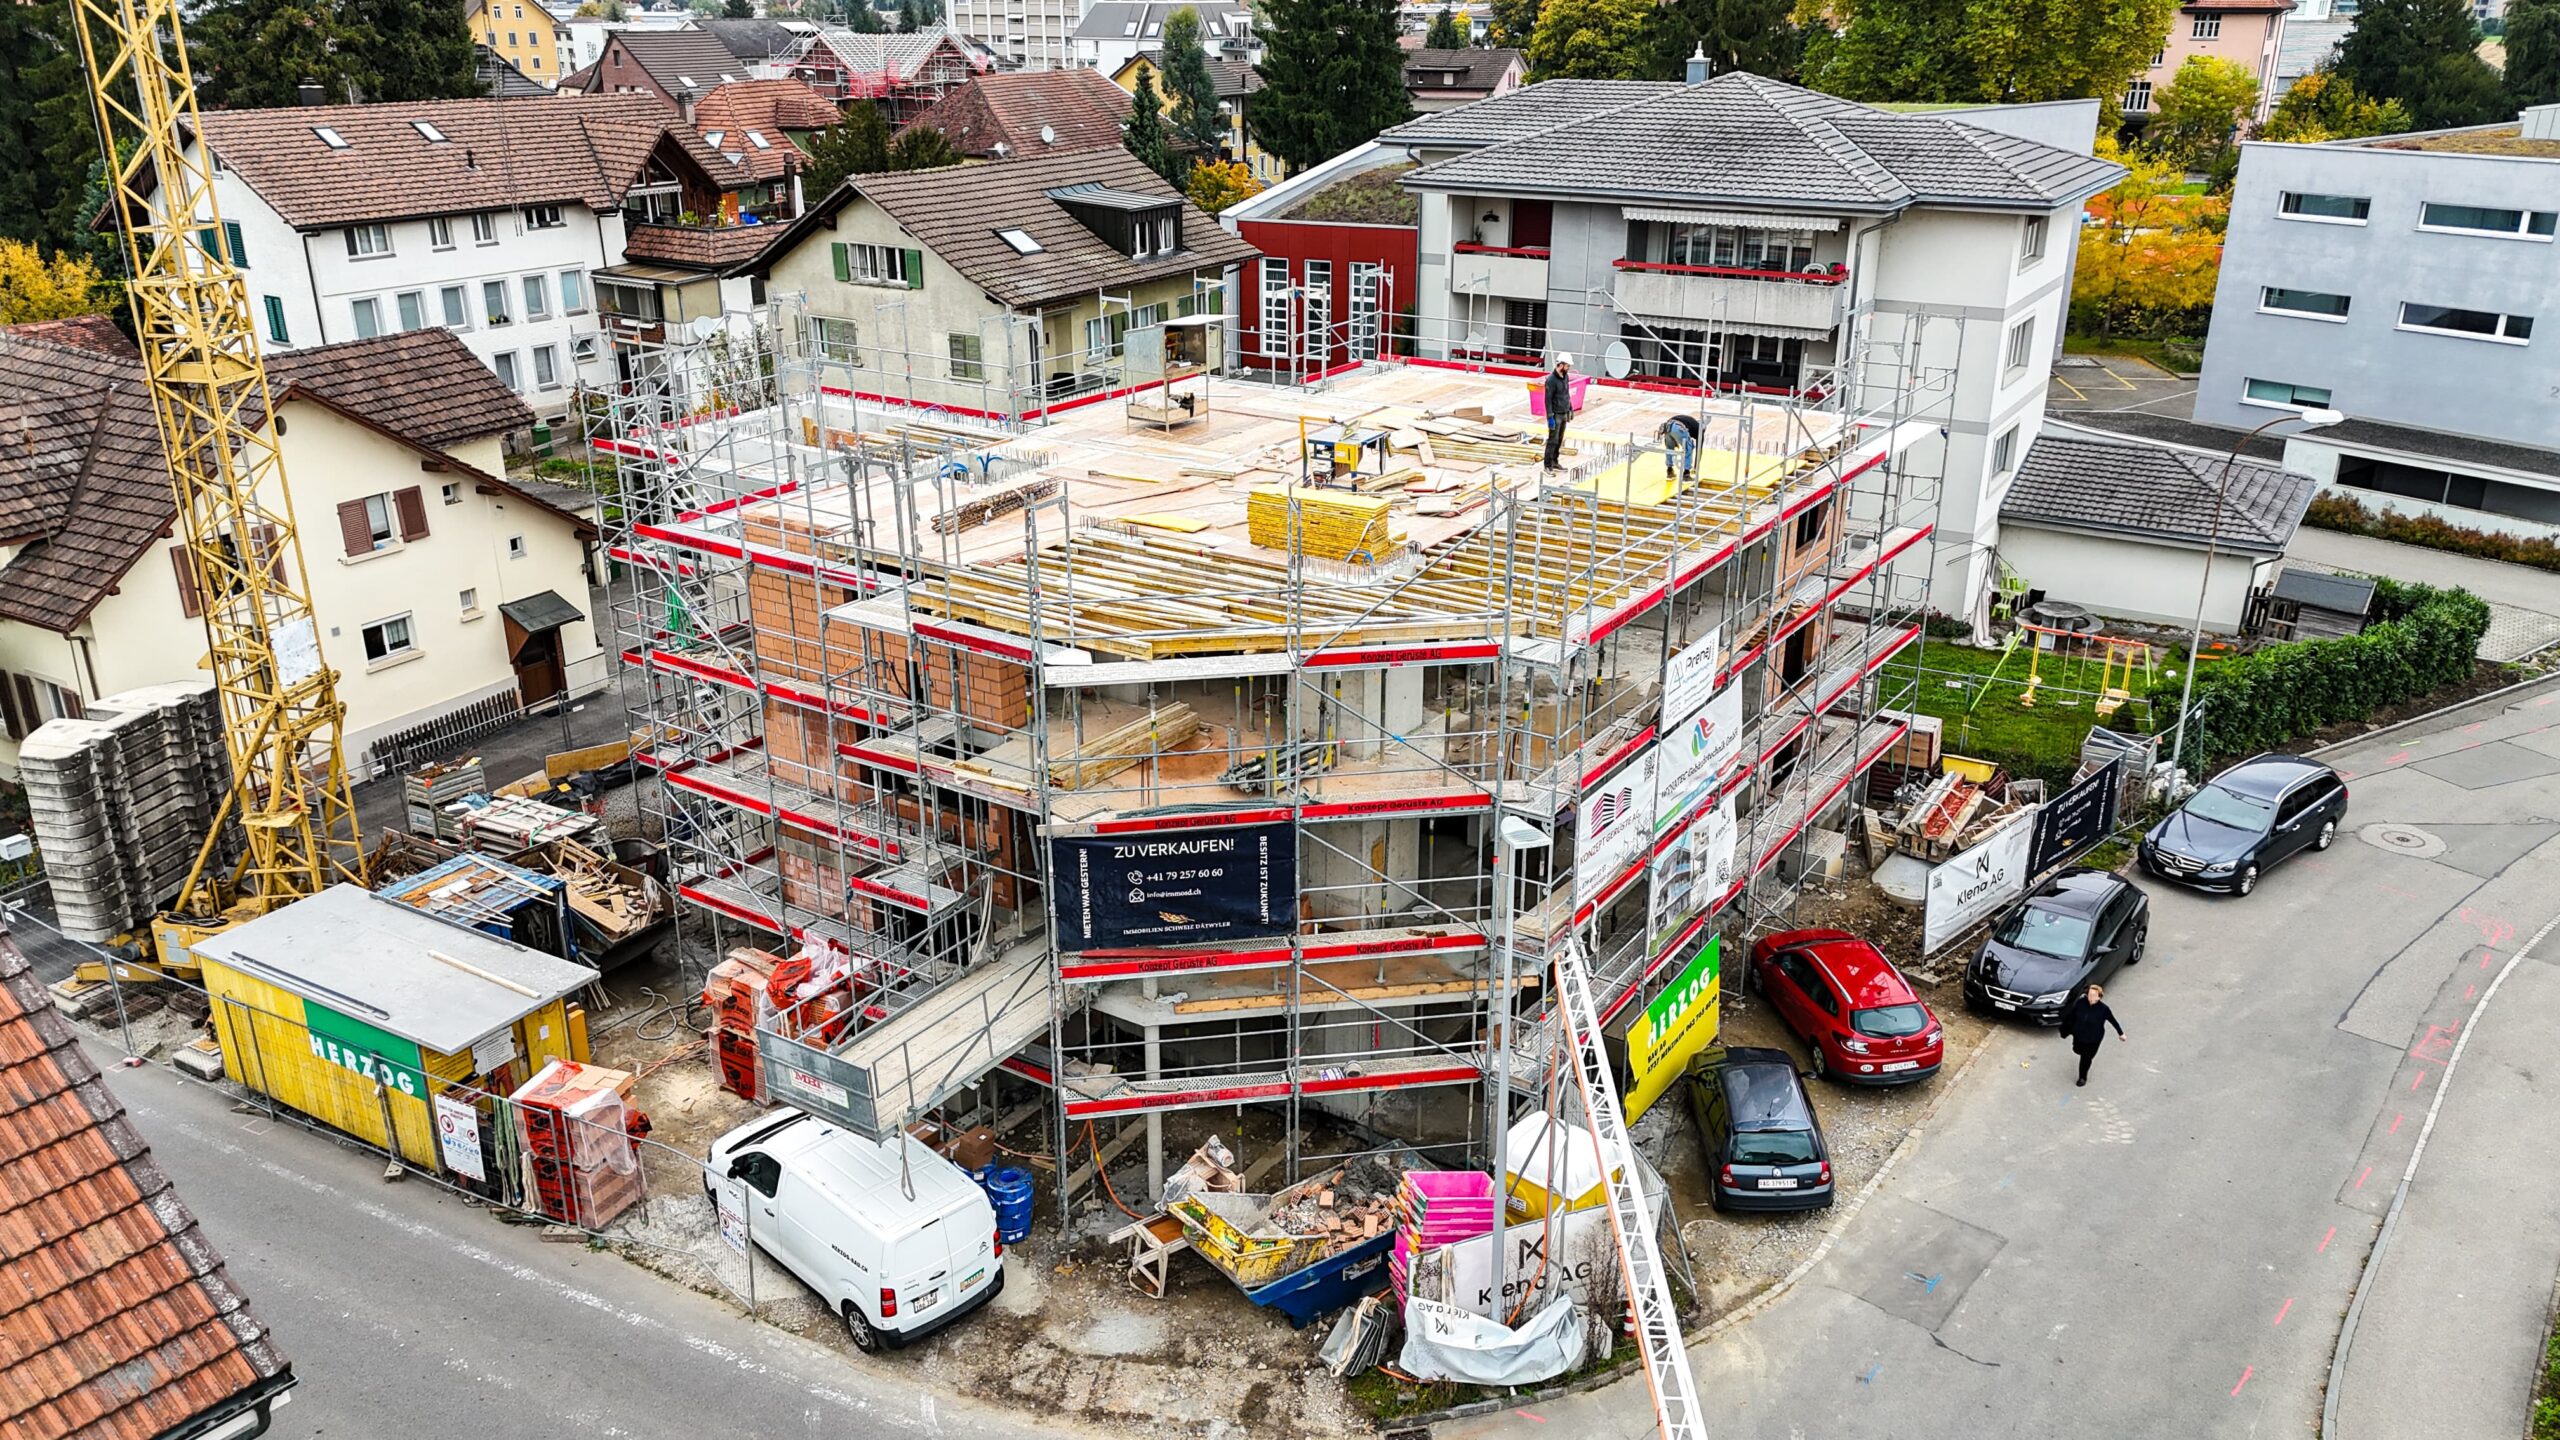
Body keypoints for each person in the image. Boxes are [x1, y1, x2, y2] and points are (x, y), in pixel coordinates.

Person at [2059, 983, 2125, 1087]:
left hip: (2093, 1038)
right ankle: (2082, 1054)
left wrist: (2121, 1033)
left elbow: (2113, 1020)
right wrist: (2065, 1029)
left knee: (2086, 1058)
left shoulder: (2103, 1009)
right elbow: (2072, 1016)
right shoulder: (2081, 1003)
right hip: (2079, 1035)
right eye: (2089, 994)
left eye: (2094, 995)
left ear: (2099, 996)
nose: (2091, 997)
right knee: (2077, 1050)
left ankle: (2082, 1077)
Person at [1541, 354, 1576, 470]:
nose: (1568, 368)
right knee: (1553, 440)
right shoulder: (1551, 380)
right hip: (1555, 415)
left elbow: (1566, 394)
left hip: (1564, 413)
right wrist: (1550, 417)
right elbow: (1548, 400)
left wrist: (1570, 408)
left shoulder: (1565, 377)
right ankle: (1547, 465)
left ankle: (1555, 461)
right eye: (1567, 365)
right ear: (1560, 365)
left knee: (1559, 440)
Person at [1660, 412, 1701, 484]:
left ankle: (1669, 471)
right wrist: (1695, 467)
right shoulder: (1699, 430)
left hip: (1668, 426)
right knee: (1689, 448)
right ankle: (1686, 474)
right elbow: (1699, 449)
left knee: (1669, 449)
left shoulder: (1691, 422)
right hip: (1678, 427)